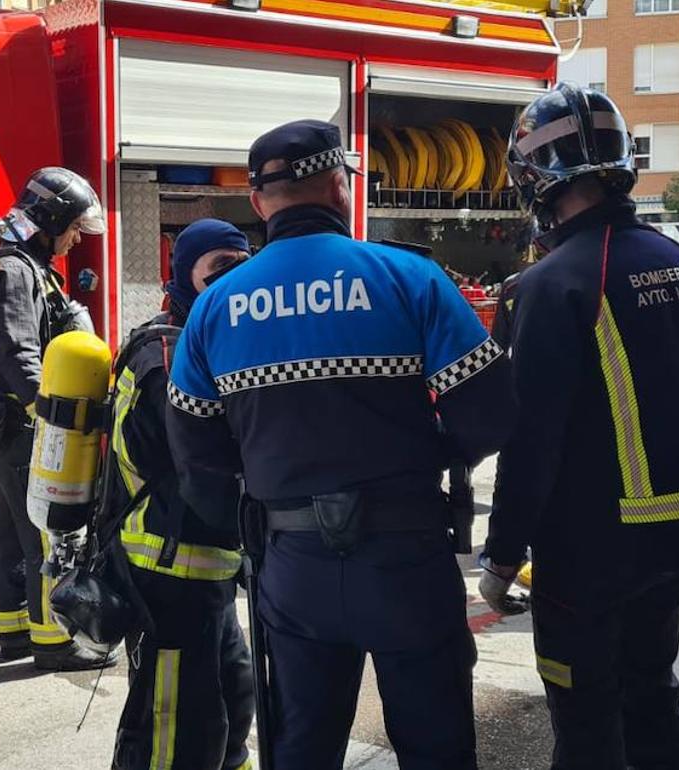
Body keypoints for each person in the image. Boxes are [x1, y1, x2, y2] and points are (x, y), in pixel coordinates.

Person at [165, 119, 515, 769]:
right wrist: (426, 456)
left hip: (291, 567)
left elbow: (196, 455)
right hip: (408, 556)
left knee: (302, 744)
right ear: (338, 186)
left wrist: (262, 500)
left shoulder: (216, 309)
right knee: (436, 745)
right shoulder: (409, 278)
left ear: (260, 202)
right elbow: (490, 412)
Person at [479, 83, 679, 770]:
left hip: (587, 552)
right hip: (673, 543)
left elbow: (530, 440)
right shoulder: (678, 262)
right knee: (653, 694)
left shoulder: (550, 286)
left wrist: (502, 555)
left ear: (536, 179)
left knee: (586, 720)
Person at [109, 219, 254, 770]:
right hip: (170, 568)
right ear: (184, 275)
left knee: (232, 700)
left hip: (206, 566)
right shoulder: (169, 358)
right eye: (217, 266)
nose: (232, 278)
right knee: (174, 722)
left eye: (241, 263)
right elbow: (200, 469)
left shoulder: (197, 337)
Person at [0, 166, 116, 671]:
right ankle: (52, 642)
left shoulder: (19, 265)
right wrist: (56, 420)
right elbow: (18, 355)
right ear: (51, 219)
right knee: (48, 534)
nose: (77, 238)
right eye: (73, 227)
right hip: (24, 425)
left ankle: (13, 633)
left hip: (8, 425)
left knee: (13, 532)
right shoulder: (13, 271)